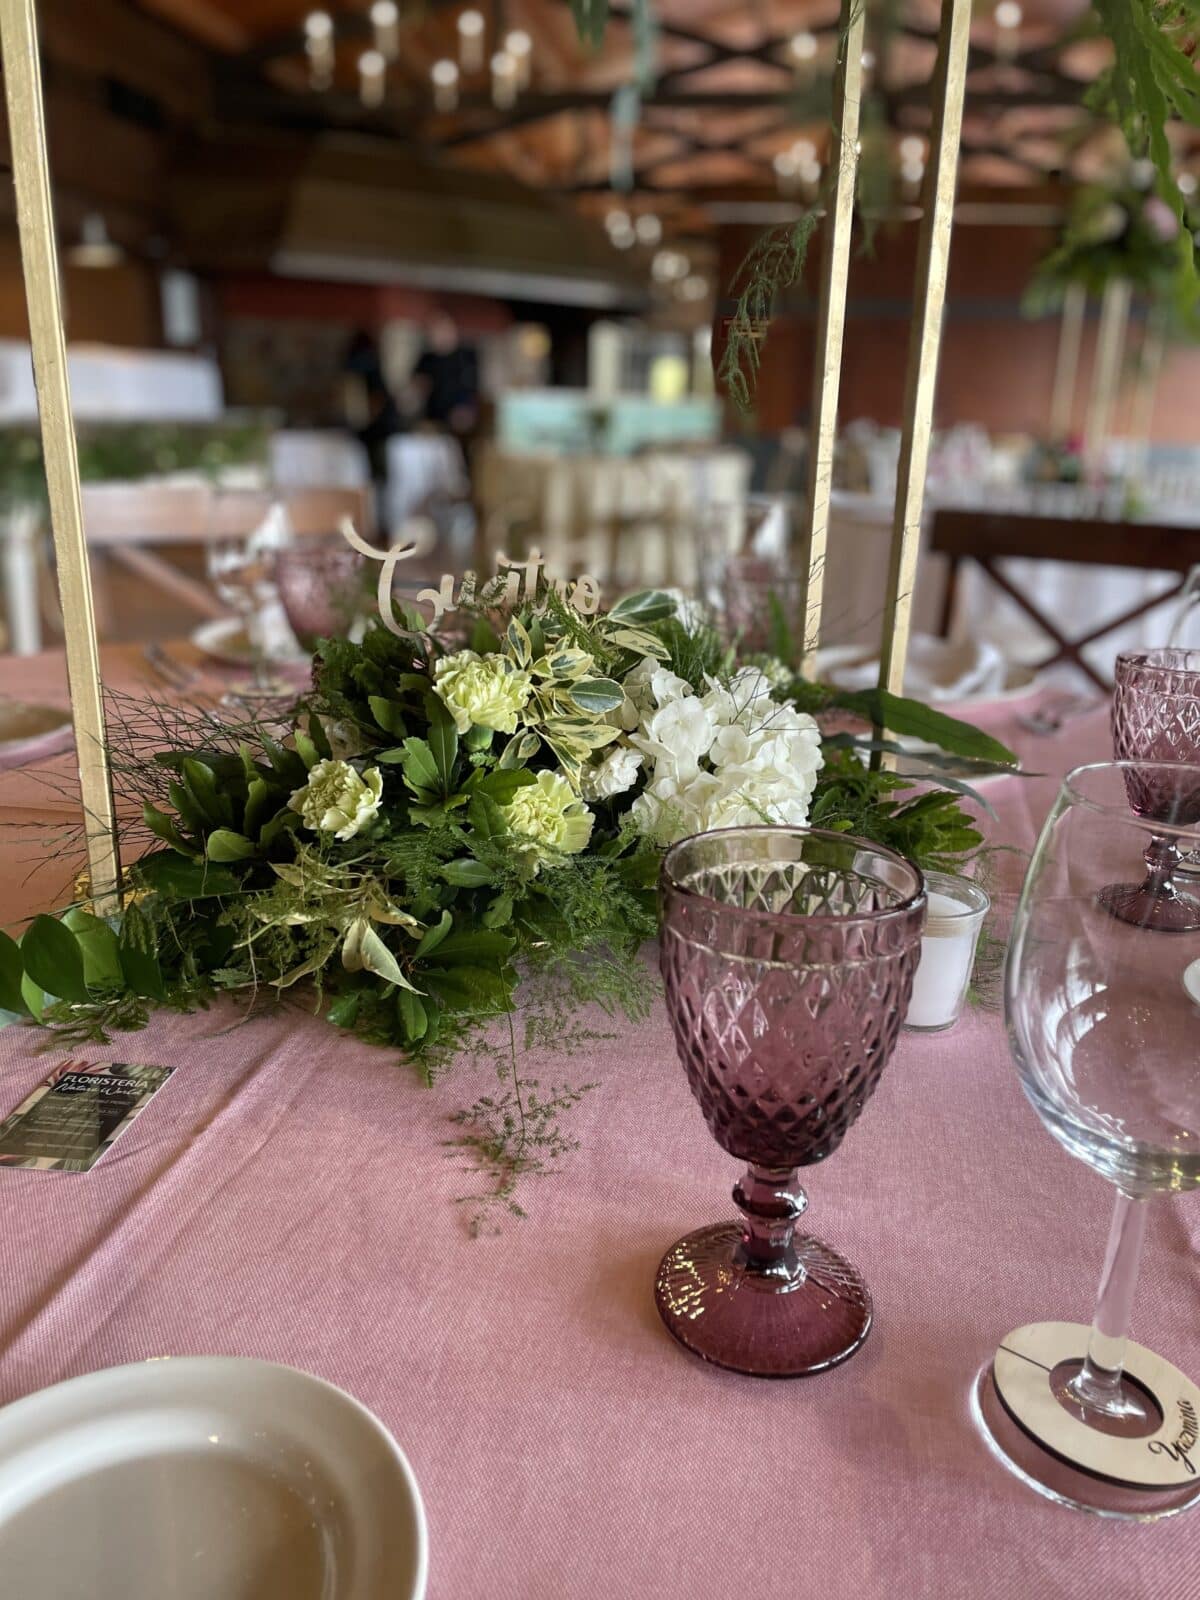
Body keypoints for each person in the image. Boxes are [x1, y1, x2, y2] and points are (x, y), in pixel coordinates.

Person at [412, 314, 479, 435]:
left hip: (461, 416)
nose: (439, 335)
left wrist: (465, 409)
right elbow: (417, 383)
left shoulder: (466, 356)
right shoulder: (427, 359)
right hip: (432, 415)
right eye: (435, 331)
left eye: (443, 330)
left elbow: (471, 387)